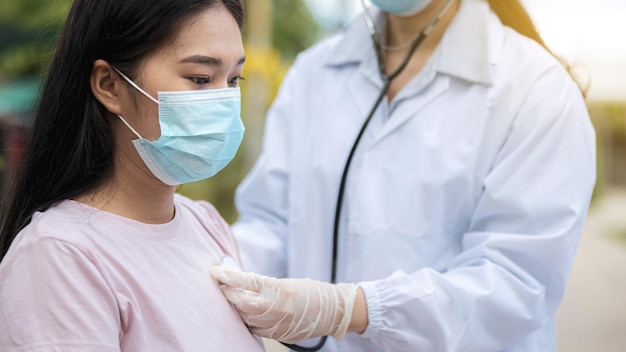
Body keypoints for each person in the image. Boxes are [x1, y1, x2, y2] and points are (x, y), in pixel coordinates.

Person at [208, 0, 597, 351]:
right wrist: (213, 270)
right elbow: (270, 221)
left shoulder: (537, 89)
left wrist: (354, 309)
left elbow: (516, 282)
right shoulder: (313, 73)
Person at [0, 0, 264, 351]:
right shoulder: (60, 255)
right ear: (109, 85)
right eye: (200, 79)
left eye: (233, 79)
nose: (223, 101)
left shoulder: (207, 225)